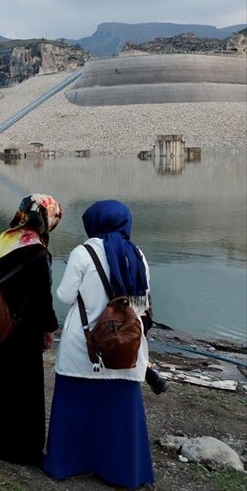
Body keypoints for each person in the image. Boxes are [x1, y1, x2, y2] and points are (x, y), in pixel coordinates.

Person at [44, 200, 155, 488]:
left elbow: (65, 296)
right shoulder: (137, 254)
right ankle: (122, 471)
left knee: (76, 404)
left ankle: (69, 463)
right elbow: (141, 302)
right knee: (119, 411)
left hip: (86, 346)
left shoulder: (83, 252)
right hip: (125, 348)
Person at [0, 194, 62, 466]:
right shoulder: (38, 251)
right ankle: (20, 448)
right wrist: (49, 328)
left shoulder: (4, 240)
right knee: (23, 389)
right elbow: (41, 298)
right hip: (23, 331)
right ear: (45, 218)